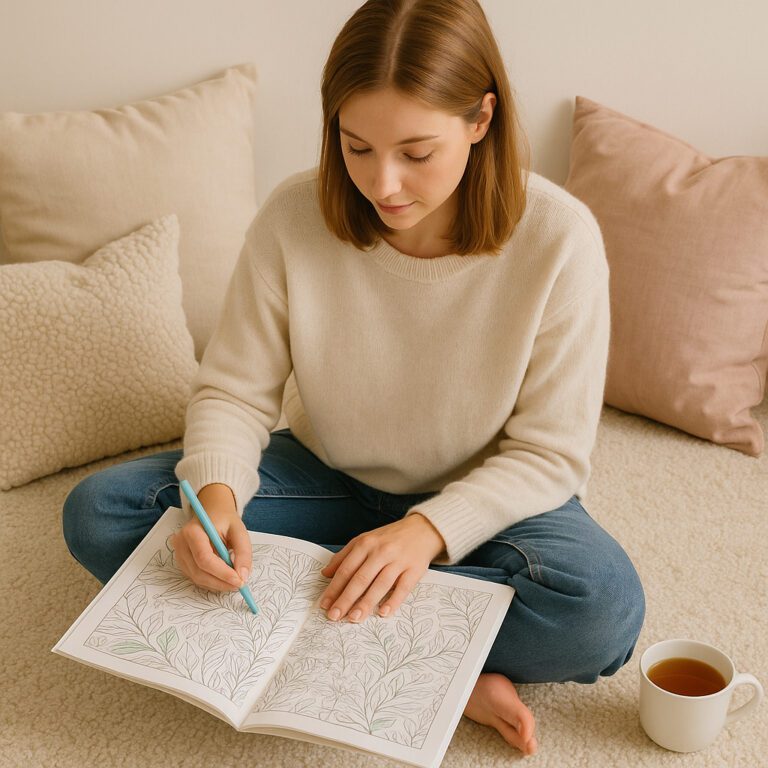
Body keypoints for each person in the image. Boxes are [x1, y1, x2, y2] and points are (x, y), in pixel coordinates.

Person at [62, 0, 645, 757]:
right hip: (326, 477)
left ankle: (409, 649)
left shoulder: (558, 237)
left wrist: (424, 533)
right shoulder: (293, 215)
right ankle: (435, 647)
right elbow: (235, 390)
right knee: (100, 514)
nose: (384, 182)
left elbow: (551, 454)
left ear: (481, 119)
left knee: (602, 610)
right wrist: (216, 498)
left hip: (487, 499)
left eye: (416, 150)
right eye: (356, 146)